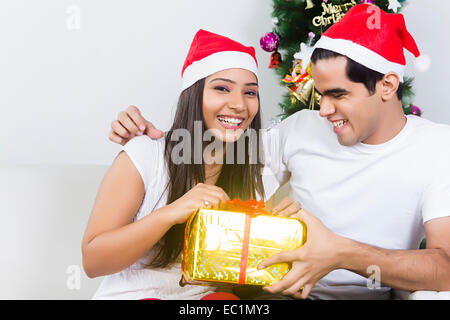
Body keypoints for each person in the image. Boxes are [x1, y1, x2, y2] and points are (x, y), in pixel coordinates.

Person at [108, 4, 450, 300]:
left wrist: (340, 253)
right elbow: (217, 146)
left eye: (339, 95)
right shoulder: (302, 127)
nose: (325, 111)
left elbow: (445, 267)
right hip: (280, 292)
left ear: (387, 86)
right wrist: (148, 137)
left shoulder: (435, 148)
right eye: (320, 95)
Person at [82, 29, 270, 299]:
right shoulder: (145, 154)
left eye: (250, 93)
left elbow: (231, 278)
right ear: (192, 95)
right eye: (222, 88)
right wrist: (172, 212)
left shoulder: (251, 170)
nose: (239, 104)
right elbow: (93, 262)